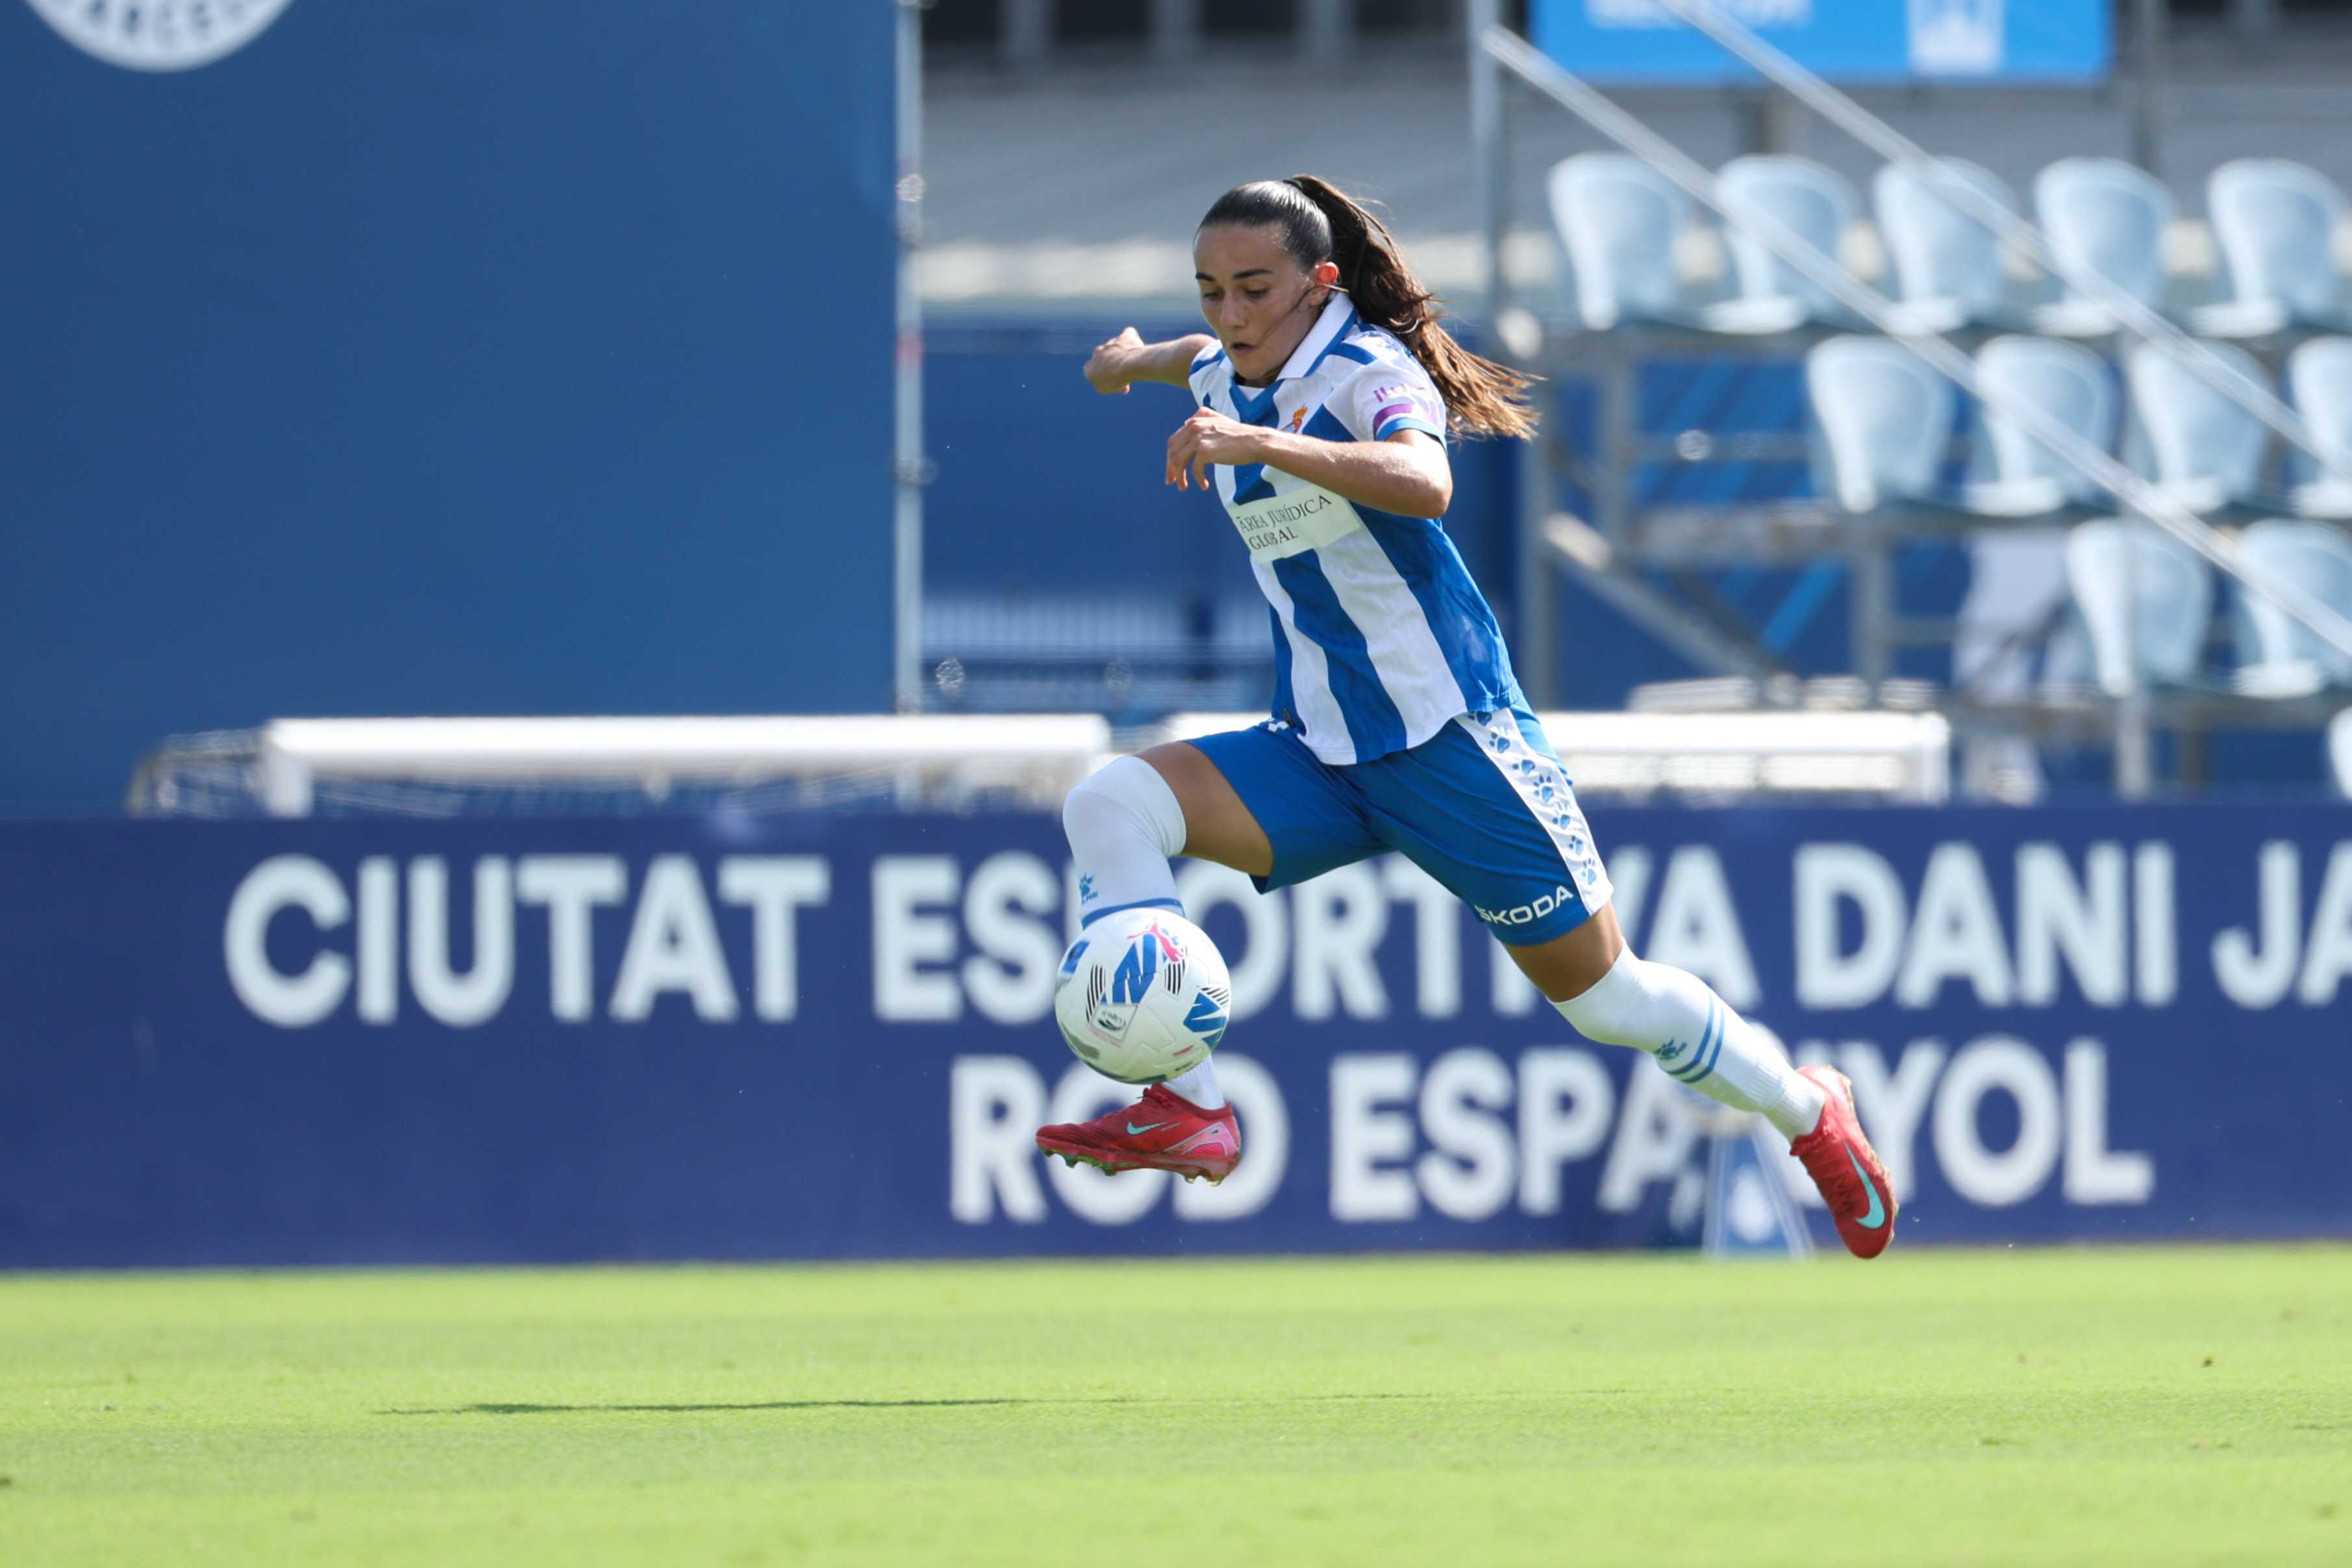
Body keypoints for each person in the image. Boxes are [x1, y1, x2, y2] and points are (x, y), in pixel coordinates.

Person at [1034, 176, 1898, 1258]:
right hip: (1320, 749)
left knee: (1608, 1000)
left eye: (1255, 288)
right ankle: (1190, 1103)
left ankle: (1806, 1109)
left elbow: (1423, 477)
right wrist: (1128, 361)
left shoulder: (1366, 371)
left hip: (1449, 743)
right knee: (1111, 804)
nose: (1232, 313)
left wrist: (1265, 448)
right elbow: (1193, 356)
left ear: (1320, 283)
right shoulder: (1223, 366)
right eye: (1211, 289)